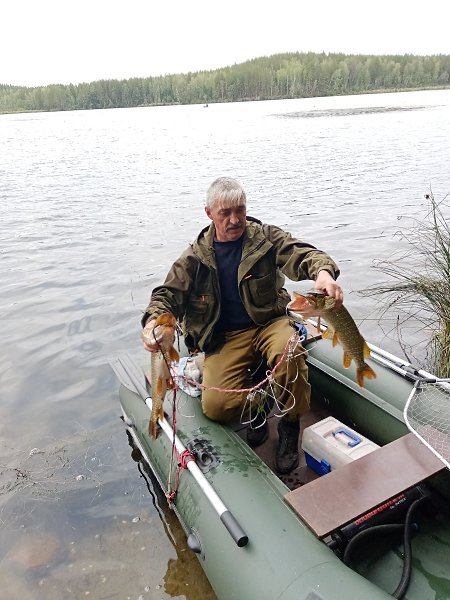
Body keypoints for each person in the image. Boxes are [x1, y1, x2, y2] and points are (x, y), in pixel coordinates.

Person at [141, 177, 343, 474]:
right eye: (225, 213)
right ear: (209, 213)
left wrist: (323, 274)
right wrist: (152, 324)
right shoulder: (194, 258)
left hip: (269, 323)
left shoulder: (266, 238)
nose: (235, 220)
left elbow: (304, 254)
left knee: (290, 353)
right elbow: (166, 295)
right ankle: (260, 402)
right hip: (226, 337)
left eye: (240, 210)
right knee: (216, 407)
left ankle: (289, 424)